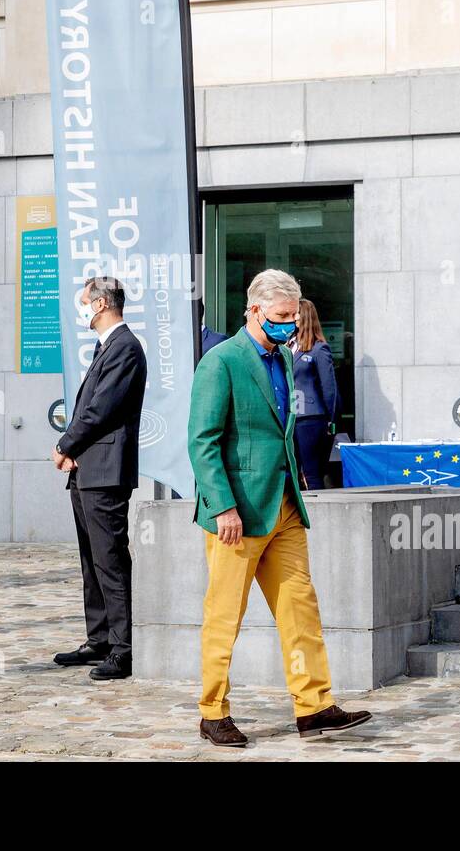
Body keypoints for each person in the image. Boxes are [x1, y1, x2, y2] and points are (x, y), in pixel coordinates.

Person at [189, 269, 371, 747]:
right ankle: (213, 712)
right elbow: (203, 442)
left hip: (286, 505)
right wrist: (222, 505)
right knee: (225, 614)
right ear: (254, 311)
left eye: (293, 317)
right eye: (281, 317)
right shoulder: (220, 362)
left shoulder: (286, 361)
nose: (291, 326)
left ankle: (314, 707)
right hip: (237, 516)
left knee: (300, 609)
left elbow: (282, 431)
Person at [50, 277, 148, 682]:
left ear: (102, 303)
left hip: (106, 471)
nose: (82, 310)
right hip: (88, 468)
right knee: (92, 557)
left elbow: (101, 410)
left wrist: (65, 443)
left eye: (85, 302)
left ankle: (123, 649)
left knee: (110, 558)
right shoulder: (105, 347)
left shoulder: (125, 347)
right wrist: (75, 451)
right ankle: (100, 639)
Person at [289, 299, 339, 490]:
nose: (292, 318)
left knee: (312, 472)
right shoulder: (288, 346)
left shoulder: (319, 349)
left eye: (296, 314)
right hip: (291, 417)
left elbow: (329, 388)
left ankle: (318, 515)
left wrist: (330, 420)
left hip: (311, 417)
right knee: (292, 472)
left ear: (305, 317)